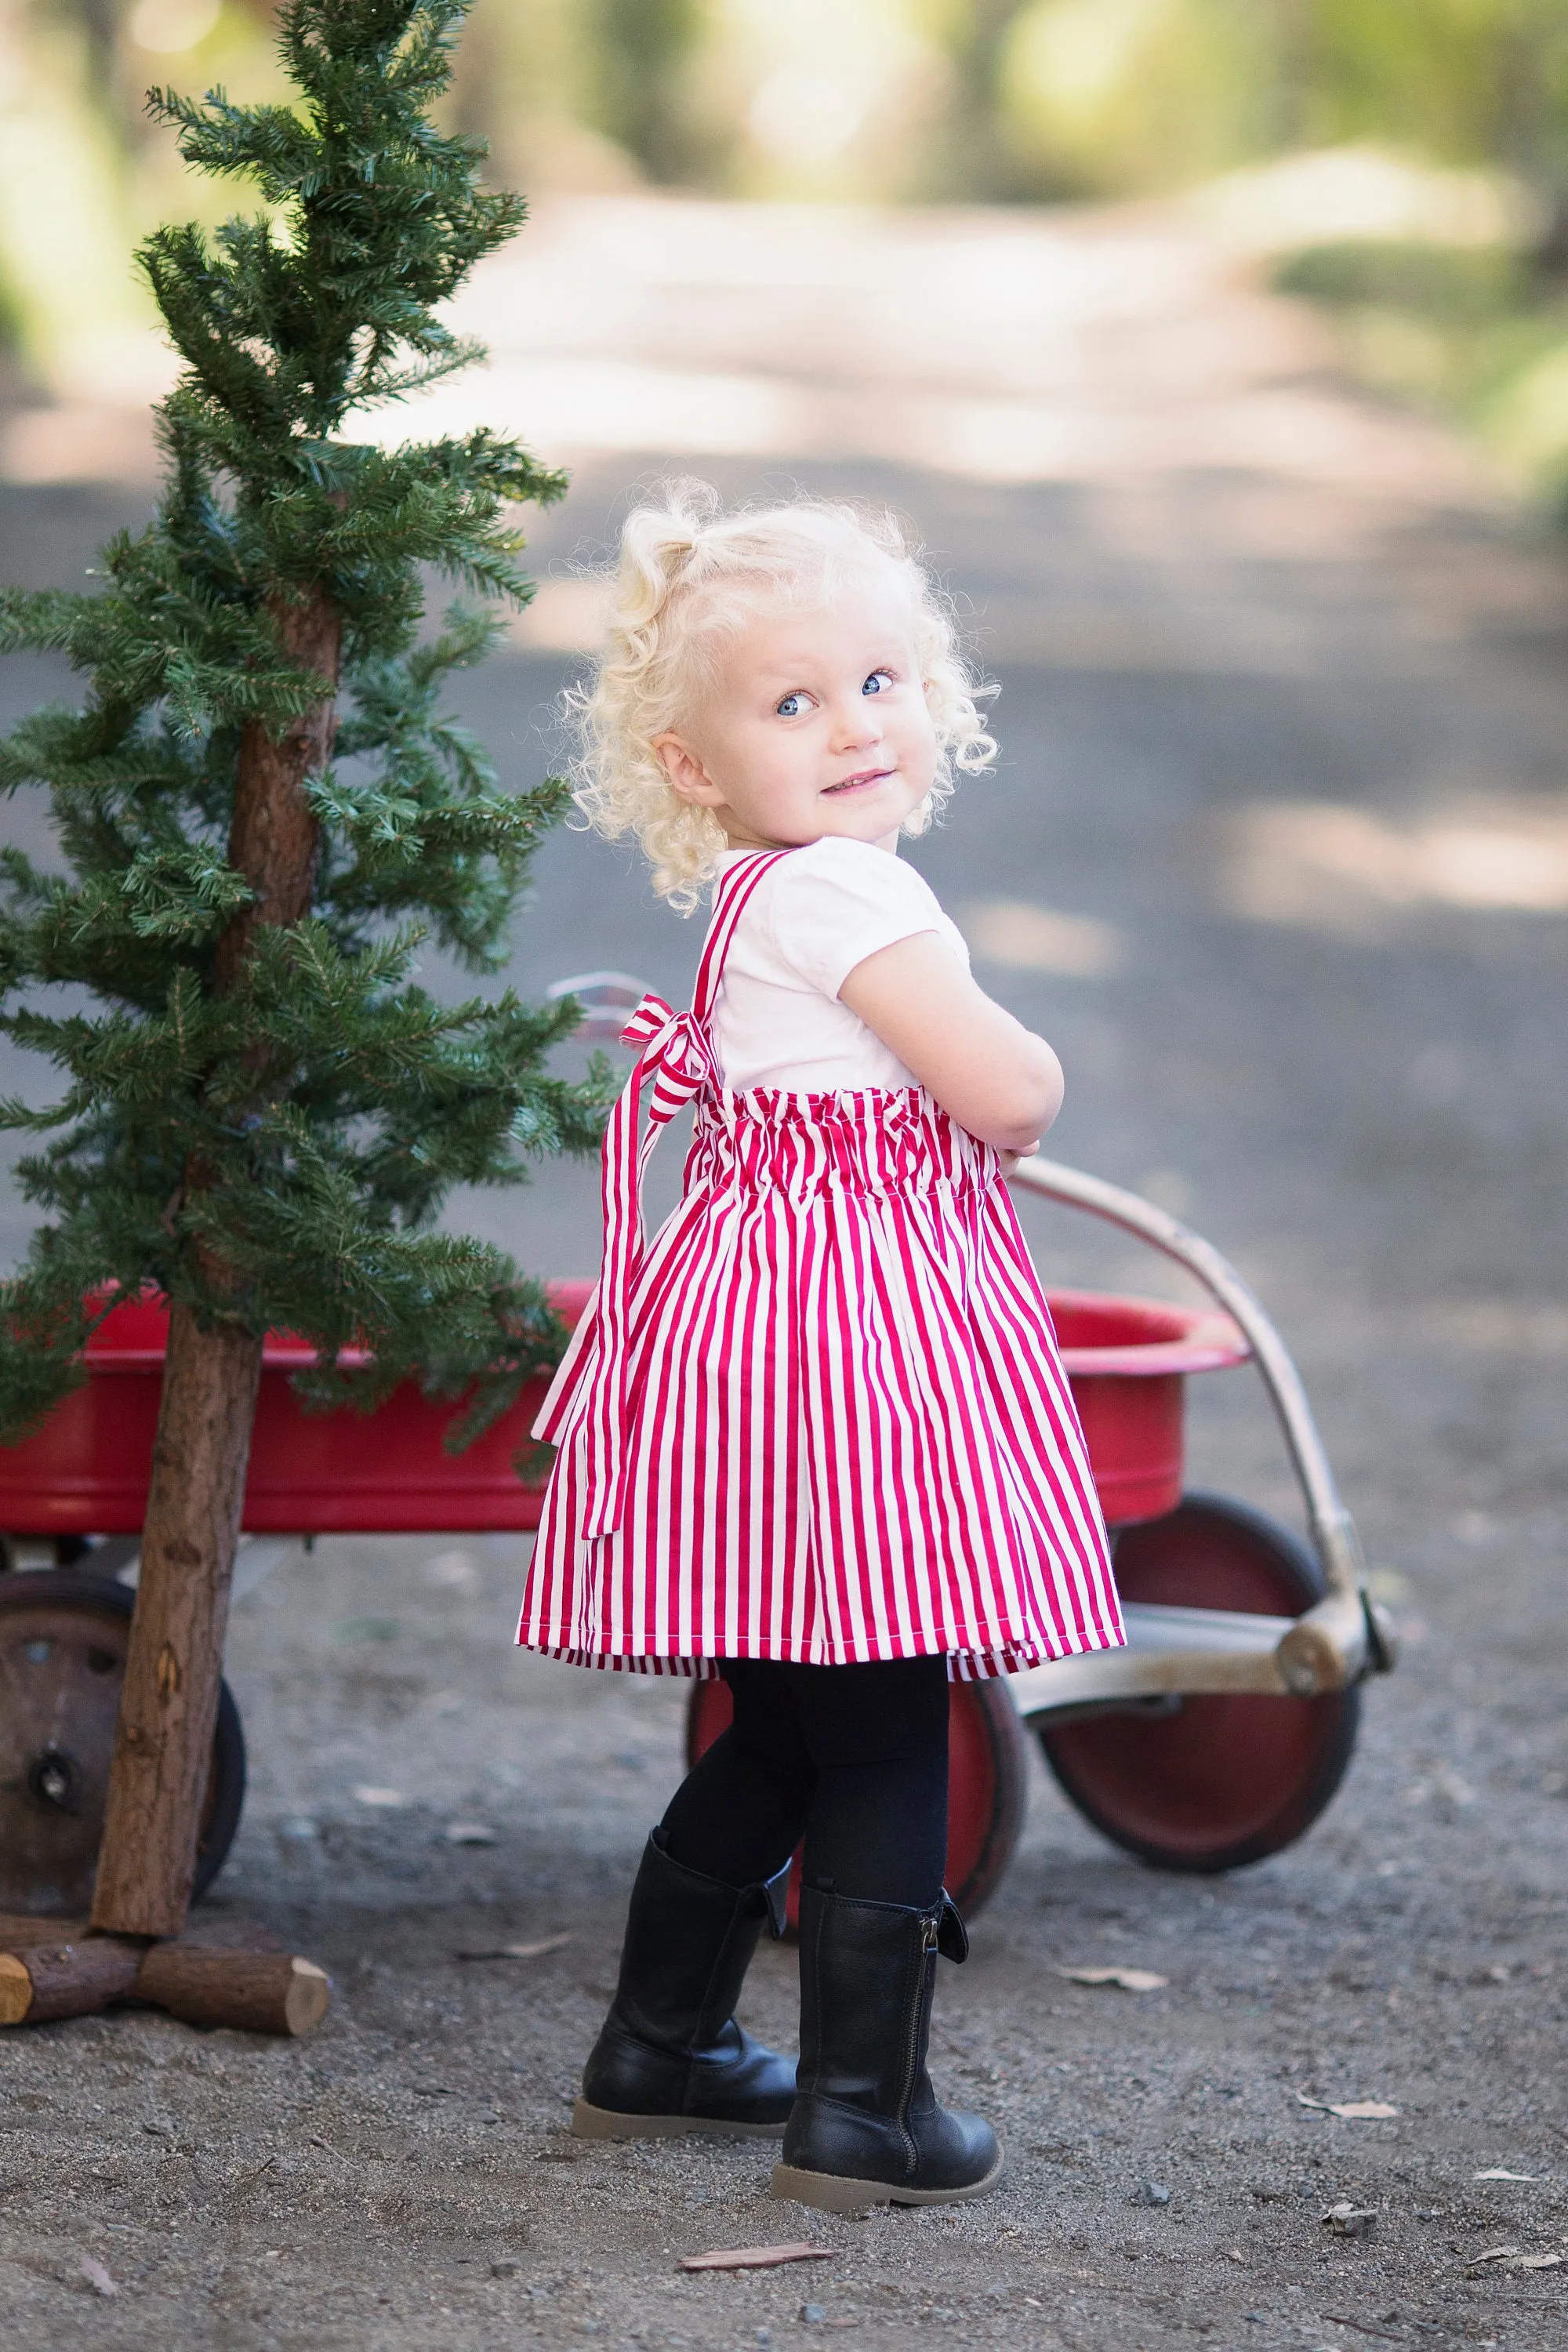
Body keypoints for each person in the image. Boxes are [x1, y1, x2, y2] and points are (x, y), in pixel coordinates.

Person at [517, 485, 1123, 2212]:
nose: (853, 723)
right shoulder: (854, 893)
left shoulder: (756, 889)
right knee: (878, 1722)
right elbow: (1004, 1095)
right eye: (791, 703)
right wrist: (1007, 1039)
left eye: (878, 679)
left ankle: (663, 2043)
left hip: (761, 1334)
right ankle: (864, 2106)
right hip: (849, 1350)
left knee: (788, 1715)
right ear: (692, 763)